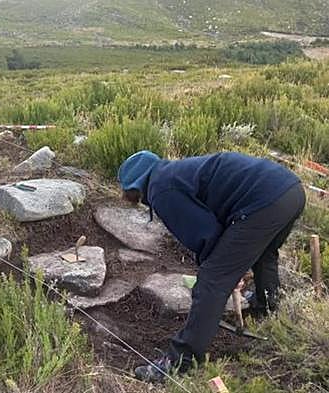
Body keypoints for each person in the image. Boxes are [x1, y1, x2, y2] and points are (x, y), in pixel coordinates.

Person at [117, 150, 305, 381]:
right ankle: (266, 309)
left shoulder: (161, 189)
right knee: (265, 255)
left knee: (211, 281)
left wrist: (225, 271)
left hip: (263, 200)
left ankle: (179, 363)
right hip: (289, 190)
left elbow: (205, 234)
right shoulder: (173, 173)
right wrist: (231, 265)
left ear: (134, 187)